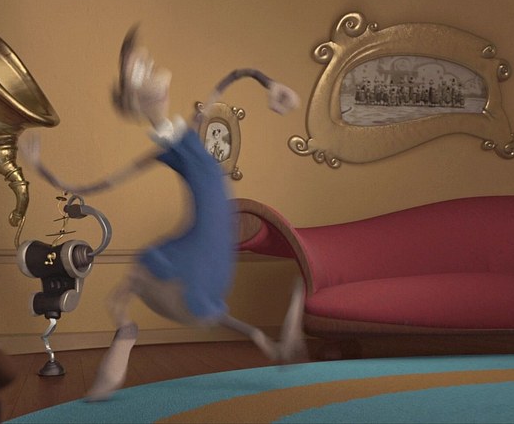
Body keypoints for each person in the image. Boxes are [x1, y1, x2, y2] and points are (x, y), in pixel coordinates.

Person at [20, 28, 305, 401]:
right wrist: (40, 166)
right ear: (136, 101)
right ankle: (129, 335)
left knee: (155, 295)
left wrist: (271, 85)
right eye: (141, 72)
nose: (153, 70)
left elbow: (235, 76)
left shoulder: (188, 132)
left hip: (210, 250)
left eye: (146, 65)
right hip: (203, 253)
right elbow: (95, 185)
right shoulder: (170, 145)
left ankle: (259, 342)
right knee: (139, 290)